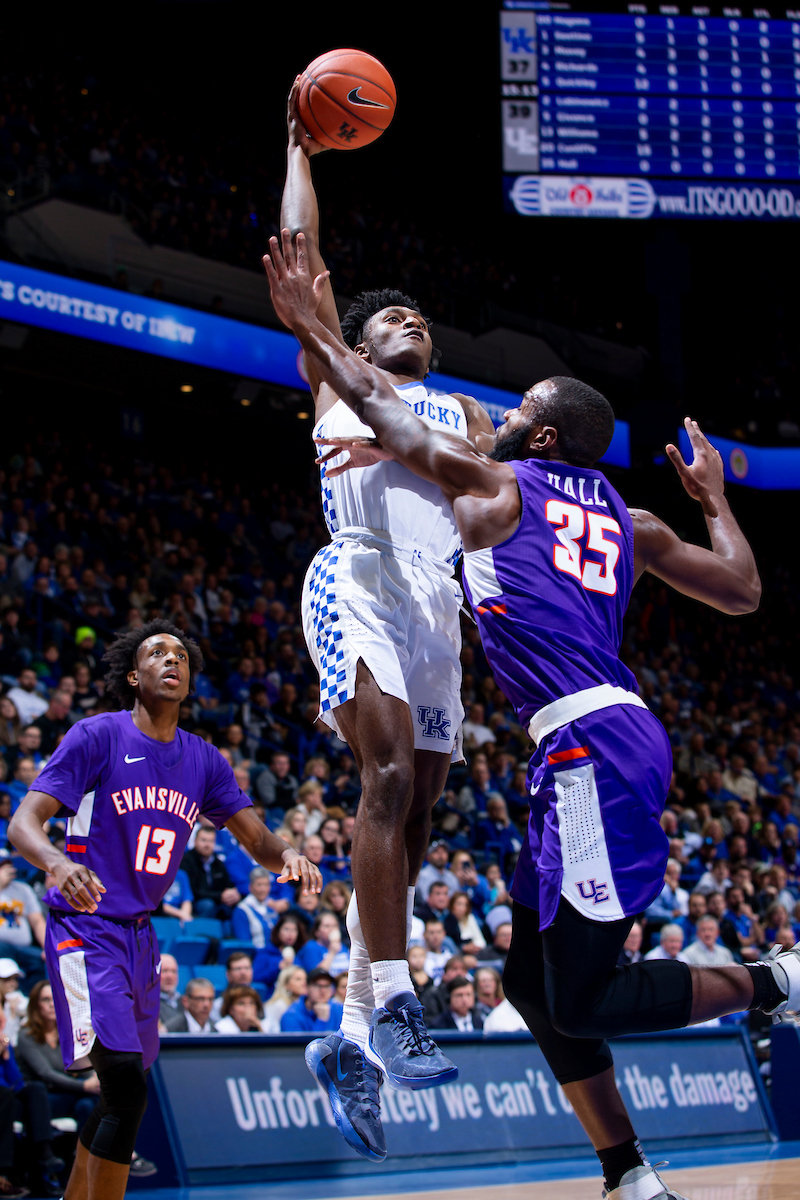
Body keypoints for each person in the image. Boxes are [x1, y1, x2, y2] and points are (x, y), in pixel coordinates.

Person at [263, 232, 799, 1198]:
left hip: (590, 744)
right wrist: (717, 499)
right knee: (525, 984)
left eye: (521, 409)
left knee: (586, 993)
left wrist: (313, 327)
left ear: (540, 438)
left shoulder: (498, 485)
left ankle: (781, 981)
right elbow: (742, 591)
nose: (503, 412)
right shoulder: (628, 518)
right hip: (585, 743)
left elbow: (391, 418)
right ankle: (625, 1171)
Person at [278, 84, 494, 1159]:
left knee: (411, 835)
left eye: (417, 317)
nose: (406, 320)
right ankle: (401, 1002)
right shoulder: (337, 378)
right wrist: (297, 147)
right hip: (358, 577)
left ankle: (349, 1040)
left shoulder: (468, 415)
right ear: (356, 341)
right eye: (386, 316)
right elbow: (302, 257)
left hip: (440, 602)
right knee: (386, 782)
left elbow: (494, 517)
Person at [7, 619, 321, 1200]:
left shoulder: (203, 759)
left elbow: (254, 837)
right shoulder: (96, 737)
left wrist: (290, 855)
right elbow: (24, 823)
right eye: (158, 653)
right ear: (134, 674)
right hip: (85, 927)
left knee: (118, 1091)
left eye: (181, 655)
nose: (172, 660)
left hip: (140, 937)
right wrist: (56, 863)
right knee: (125, 1086)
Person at [0, 1001, 64, 1199]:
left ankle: (46, 1155)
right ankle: (6, 1174)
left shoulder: (5, 1042)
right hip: (3, 1100)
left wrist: (5, 1054)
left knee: (35, 1090)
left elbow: (17, 1082)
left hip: (8, 1101)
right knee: (6, 1096)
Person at [16, 981, 99, 1131]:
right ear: (35, 1005)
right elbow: (46, 1074)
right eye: (45, 1000)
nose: (52, 1004)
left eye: (54, 999)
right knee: (91, 1100)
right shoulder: (25, 1036)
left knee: (87, 1105)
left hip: (71, 1092)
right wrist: (84, 1086)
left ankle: (85, 1153)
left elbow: (84, 1066)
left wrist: (94, 1080)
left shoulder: (68, 1034)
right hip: (44, 1099)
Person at [0, 856, 46, 988]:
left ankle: (28, 1000)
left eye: (10, 865)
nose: (10, 869)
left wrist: (46, 948)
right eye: (3, 866)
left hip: (23, 948)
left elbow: (37, 921)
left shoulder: (23, 889)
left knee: (40, 960)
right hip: (2, 946)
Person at [180, 826, 241, 919]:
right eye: (203, 840)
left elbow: (227, 884)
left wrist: (234, 894)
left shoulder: (218, 863)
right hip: (196, 902)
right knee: (207, 905)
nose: (207, 845)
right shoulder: (187, 861)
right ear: (195, 841)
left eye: (211, 841)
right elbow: (193, 891)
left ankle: (228, 934)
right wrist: (220, 896)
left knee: (233, 906)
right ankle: (202, 933)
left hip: (216, 900)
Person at [280, 967, 342, 1033]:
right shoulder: (291, 1017)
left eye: (326, 986)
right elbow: (301, 1043)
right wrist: (322, 1021)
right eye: (317, 985)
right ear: (306, 987)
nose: (323, 991)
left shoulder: (340, 1010)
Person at [263, 966, 307, 1033]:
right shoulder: (279, 1005)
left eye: (305, 979)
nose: (304, 983)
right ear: (286, 984)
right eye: (298, 979)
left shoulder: (303, 1005)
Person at [158, 954, 184, 1032]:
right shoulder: (147, 1004)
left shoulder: (185, 1001)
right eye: (164, 971)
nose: (169, 976)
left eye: (173, 971)